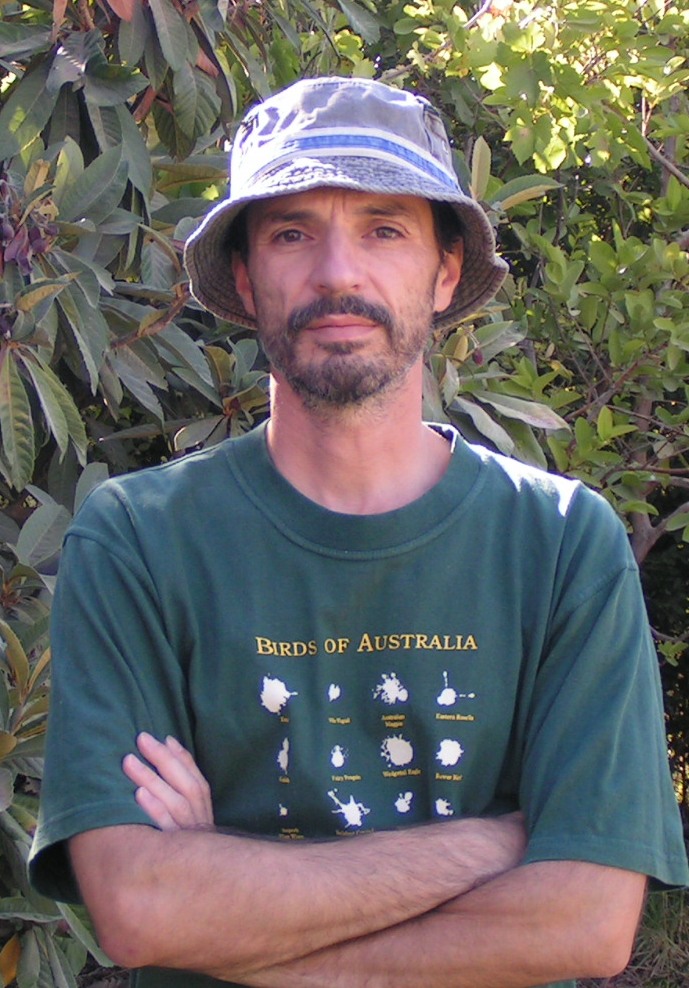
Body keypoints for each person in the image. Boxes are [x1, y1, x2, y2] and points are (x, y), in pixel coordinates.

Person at [29, 77, 688, 988]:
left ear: (444, 272)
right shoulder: (139, 540)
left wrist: (232, 915)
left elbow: (584, 923)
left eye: (384, 229)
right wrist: (495, 844)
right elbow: (142, 908)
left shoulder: (562, 542)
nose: (338, 273)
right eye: (291, 233)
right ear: (245, 277)